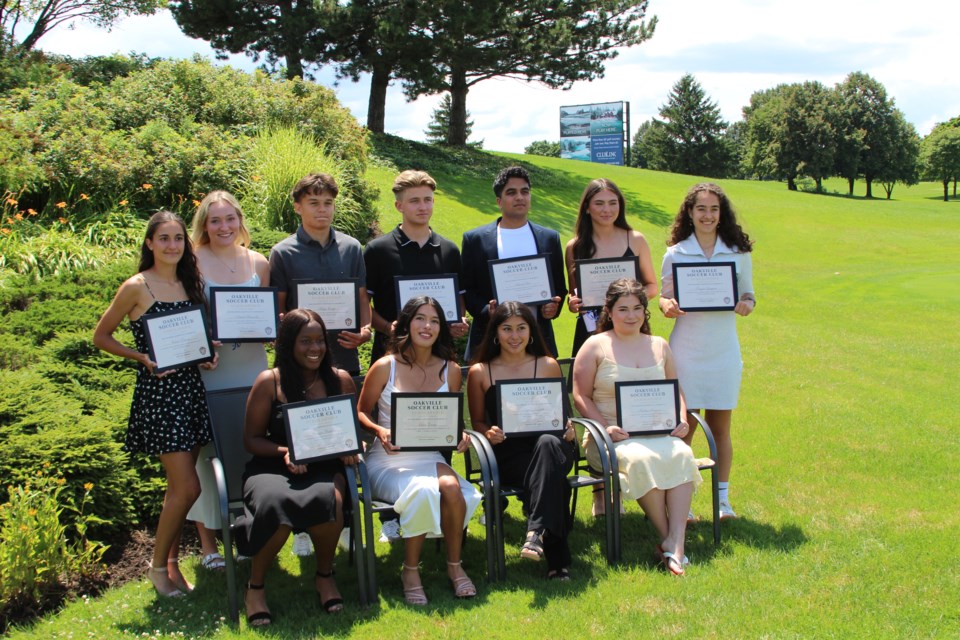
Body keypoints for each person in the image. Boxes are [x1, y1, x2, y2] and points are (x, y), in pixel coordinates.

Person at [93, 210, 216, 597]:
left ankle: (172, 566)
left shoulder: (188, 282)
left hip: (192, 391)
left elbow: (194, 338)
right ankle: (157, 568)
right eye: (164, 238)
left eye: (178, 238)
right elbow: (102, 336)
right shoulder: (136, 286)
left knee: (177, 489)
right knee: (188, 487)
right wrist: (143, 358)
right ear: (150, 243)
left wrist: (205, 353)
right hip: (160, 396)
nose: (172, 245)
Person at [363, 170, 469, 543]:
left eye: (427, 199)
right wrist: (387, 328)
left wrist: (456, 324)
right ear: (399, 205)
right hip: (393, 352)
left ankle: (443, 506)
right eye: (414, 200)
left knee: (439, 424)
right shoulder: (378, 250)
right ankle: (391, 517)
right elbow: (366, 305)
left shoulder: (449, 249)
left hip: (438, 352)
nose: (422, 207)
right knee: (389, 429)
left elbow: (456, 305)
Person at [235, 309, 358, 625]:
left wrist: (350, 450)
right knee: (275, 505)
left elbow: (353, 432)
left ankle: (324, 575)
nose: (314, 348)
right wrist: (286, 452)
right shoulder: (270, 381)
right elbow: (251, 439)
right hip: (271, 467)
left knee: (331, 501)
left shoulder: (339, 380)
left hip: (322, 467)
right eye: (305, 341)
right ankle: (256, 586)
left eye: (319, 341)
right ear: (289, 344)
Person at [572, 278, 701, 576]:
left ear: (645, 311)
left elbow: (675, 388)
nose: (631, 316)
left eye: (637, 308)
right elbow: (581, 396)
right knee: (641, 459)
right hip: (609, 439)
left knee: (681, 453)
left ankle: (674, 543)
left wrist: (681, 417)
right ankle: (669, 537)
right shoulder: (595, 345)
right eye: (623, 309)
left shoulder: (659, 345)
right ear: (609, 311)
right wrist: (606, 428)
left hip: (658, 431)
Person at [357, 297, 481, 605]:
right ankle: (410, 571)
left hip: (429, 456)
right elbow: (360, 412)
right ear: (406, 324)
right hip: (388, 460)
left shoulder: (451, 370)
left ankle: (454, 567)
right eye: (420, 319)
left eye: (435, 321)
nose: (427, 326)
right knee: (425, 490)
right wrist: (379, 430)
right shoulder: (385, 366)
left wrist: (460, 435)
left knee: (453, 489)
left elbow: (449, 419)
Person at [658, 183, 755, 520]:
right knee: (684, 427)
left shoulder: (738, 252)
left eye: (714, 209)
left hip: (723, 350)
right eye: (701, 209)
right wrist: (666, 305)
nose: (708, 216)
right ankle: (679, 503)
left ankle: (722, 500)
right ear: (689, 212)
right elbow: (664, 297)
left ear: (721, 213)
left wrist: (746, 304)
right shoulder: (675, 252)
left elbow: (749, 294)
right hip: (686, 349)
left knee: (721, 428)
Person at [186, 190, 270, 572]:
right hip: (211, 372)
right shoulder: (191, 262)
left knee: (250, 449)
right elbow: (182, 318)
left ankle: (247, 533)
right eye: (215, 220)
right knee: (208, 455)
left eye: (230, 219)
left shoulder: (258, 261)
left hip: (253, 370)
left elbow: (271, 312)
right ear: (204, 224)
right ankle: (208, 546)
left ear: (240, 221)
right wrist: (200, 345)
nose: (223, 226)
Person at [466, 302, 577, 580]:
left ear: (531, 332)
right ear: (495, 332)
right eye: (506, 329)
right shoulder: (480, 371)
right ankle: (554, 556)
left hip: (553, 444)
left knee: (547, 445)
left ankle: (536, 530)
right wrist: (488, 432)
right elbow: (477, 421)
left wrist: (570, 426)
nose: (514, 336)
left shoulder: (548, 365)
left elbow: (563, 414)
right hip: (508, 453)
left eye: (521, 328)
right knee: (553, 481)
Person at [269, 173, 371, 376]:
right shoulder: (282, 252)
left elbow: (361, 298)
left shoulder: (351, 248)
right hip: (297, 362)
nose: (322, 209)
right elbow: (278, 307)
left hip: (343, 357)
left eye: (328, 202)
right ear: (298, 207)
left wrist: (366, 331)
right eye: (313, 203)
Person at [460, 166, 567, 359]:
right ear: (499, 201)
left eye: (524, 191)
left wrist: (552, 308)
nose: (519, 197)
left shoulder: (549, 238)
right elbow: (467, 289)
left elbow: (559, 287)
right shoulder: (475, 239)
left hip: (537, 342)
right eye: (511, 192)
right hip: (489, 341)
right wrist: (487, 311)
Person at [565, 178, 658, 356]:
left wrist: (626, 302)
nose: (606, 210)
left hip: (630, 325)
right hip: (590, 331)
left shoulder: (636, 240)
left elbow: (652, 287)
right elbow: (574, 292)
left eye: (612, 203)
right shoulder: (574, 247)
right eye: (599, 203)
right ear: (586, 207)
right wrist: (573, 302)